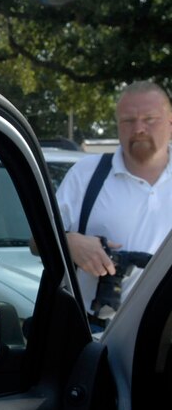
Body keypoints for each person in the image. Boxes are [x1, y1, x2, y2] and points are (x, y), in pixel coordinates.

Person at [56, 81, 172, 327]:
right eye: (128, 121)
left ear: (170, 122)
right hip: (95, 332)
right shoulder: (85, 174)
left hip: (164, 341)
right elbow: (36, 241)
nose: (139, 128)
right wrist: (68, 242)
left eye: (150, 119)